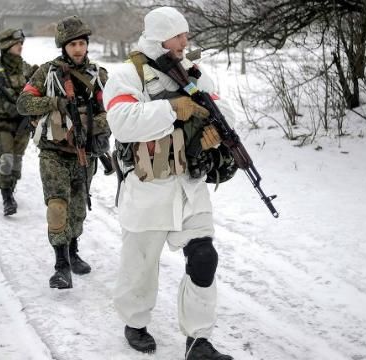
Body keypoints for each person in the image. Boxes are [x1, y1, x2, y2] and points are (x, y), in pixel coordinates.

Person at [102, 6, 237, 359]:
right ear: (161, 35)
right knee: (140, 268)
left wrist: (213, 135)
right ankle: (134, 321)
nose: (185, 40)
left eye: (186, 34)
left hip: (190, 186)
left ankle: (199, 340)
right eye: (179, 35)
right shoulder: (127, 75)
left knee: (204, 257)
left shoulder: (194, 73)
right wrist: (171, 109)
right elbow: (122, 121)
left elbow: (225, 113)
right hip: (148, 187)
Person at [17, 16, 110, 289]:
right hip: (53, 153)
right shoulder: (47, 73)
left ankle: (73, 250)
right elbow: (24, 103)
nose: (78, 49)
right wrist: (54, 102)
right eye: (73, 45)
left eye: (82, 43)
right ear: (63, 47)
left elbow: (113, 112)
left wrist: (87, 122)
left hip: (84, 154)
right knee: (57, 208)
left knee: (78, 212)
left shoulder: (99, 76)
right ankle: (61, 265)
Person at [0, 28, 38, 216]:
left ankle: (11, 189)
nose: (20, 46)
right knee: (6, 159)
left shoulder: (26, 68)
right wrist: (6, 106)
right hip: (4, 123)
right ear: (6, 46)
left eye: (21, 43)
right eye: (16, 44)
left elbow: (36, 90)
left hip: (23, 124)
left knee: (17, 162)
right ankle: (6, 198)